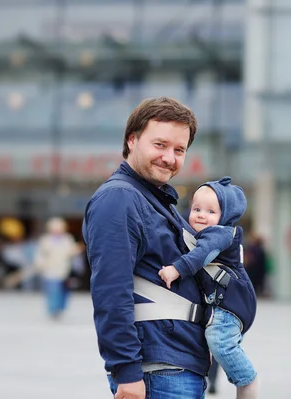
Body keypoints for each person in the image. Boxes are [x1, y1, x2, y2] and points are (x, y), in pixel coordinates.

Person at [83, 97, 209, 399]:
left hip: (175, 366)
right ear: (132, 139)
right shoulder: (119, 199)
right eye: (160, 145)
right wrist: (126, 371)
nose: (169, 157)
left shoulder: (152, 199)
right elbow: (111, 291)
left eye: (179, 150)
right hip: (158, 373)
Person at [159, 177, 259, 399]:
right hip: (227, 302)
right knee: (212, 342)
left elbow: (200, 256)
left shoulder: (219, 234)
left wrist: (175, 270)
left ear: (226, 217)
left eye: (210, 212)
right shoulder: (207, 232)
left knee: (219, 341)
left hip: (230, 305)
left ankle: (247, 378)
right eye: (196, 209)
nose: (201, 215)